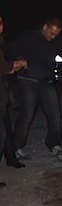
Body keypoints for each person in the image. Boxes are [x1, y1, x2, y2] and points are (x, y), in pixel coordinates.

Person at [8, 17, 62, 157]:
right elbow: (10, 51)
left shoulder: (56, 41)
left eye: (56, 34)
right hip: (28, 80)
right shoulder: (28, 38)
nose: (53, 37)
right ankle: (17, 147)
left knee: (54, 114)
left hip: (46, 81)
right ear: (45, 27)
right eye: (51, 33)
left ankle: (53, 143)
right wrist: (17, 60)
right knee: (26, 115)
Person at [0, 14, 28, 175]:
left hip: (2, 94)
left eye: (1, 22)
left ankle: (11, 158)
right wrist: (16, 65)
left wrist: (14, 66)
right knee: (2, 132)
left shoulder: (2, 41)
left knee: (6, 127)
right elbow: (4, 67)